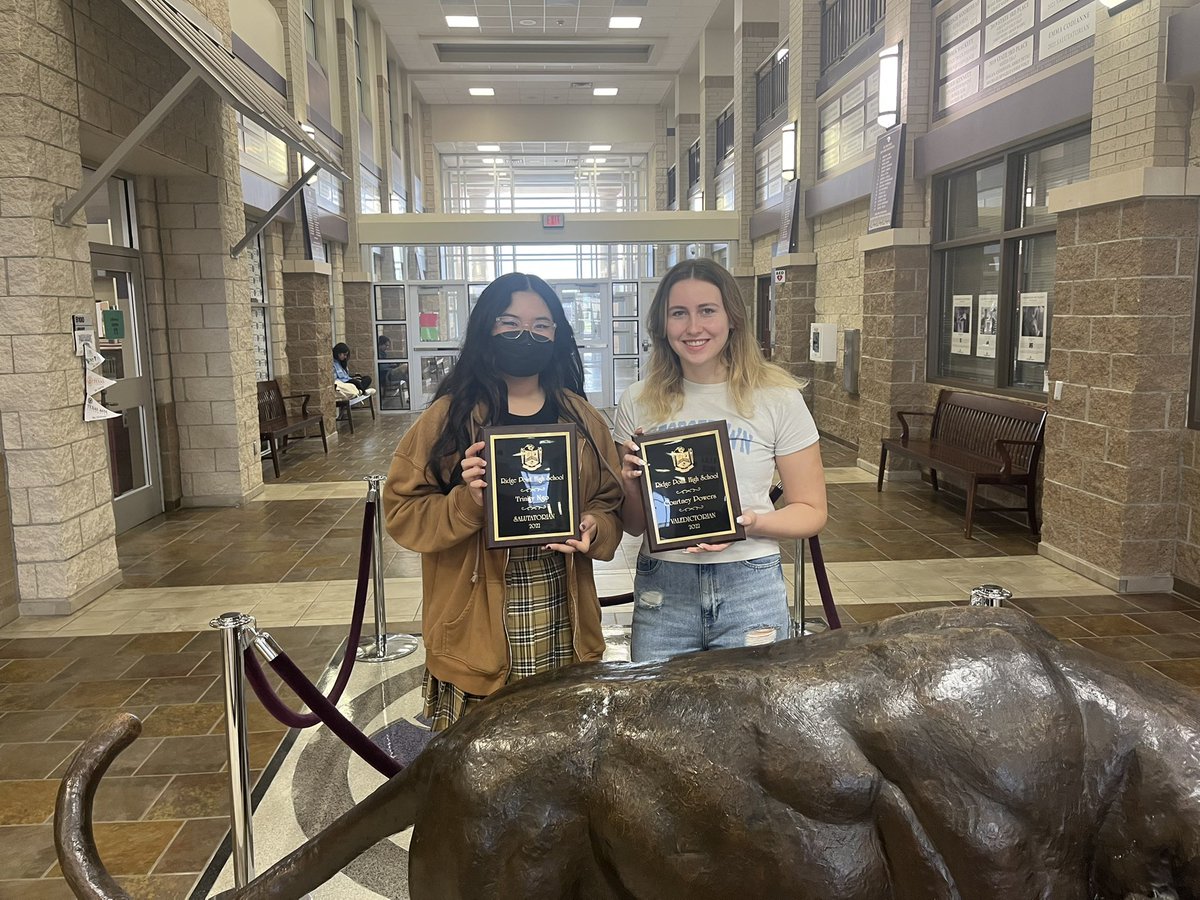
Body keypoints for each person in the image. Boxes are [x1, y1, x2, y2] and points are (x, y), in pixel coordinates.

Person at [382, 272, 624, 731]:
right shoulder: (448, 419)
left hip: (563, 612)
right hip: (477, 621)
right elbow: (402, 511)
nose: (525, 335)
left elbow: (609, 502)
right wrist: (466, 504)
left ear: (557, 335)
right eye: (509, 322)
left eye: (541, 325)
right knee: (478, 776)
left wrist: (594, 527)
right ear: (486, 329)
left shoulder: (582, 417)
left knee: (559, 760)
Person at [614, 258, 827, 663]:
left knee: (753, 718)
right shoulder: (638, 402)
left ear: (732, 318)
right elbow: (633, 524)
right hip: (665, 586)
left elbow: (812, 511)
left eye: (707, 311)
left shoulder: (778, 397)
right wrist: (629, 482)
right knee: (661, 715)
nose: (693, 327)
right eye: (679, 313)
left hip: (750, 583)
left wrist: (750, 523)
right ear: (662, 324)